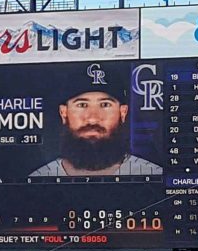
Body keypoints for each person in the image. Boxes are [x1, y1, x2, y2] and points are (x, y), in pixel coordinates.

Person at [30, 66, 162, 178]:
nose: (92, 118)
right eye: (82, 105)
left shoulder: (154, 174)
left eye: (105, 104)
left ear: (123, 112)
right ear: (63, 112)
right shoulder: (39, 178)